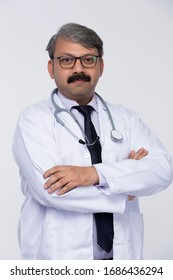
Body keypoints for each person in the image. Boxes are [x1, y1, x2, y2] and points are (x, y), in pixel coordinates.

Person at [13, 23, 172, 260]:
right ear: (51, 67)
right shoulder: (33, 120)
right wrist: (125, 184)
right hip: (57, 261)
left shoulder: (126, 119)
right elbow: (52, 191)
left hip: (121, 260)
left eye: (88, 59)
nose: (78, 68)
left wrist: (94, 175)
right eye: (67, 60)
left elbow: (163, 169)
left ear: (101, 66)